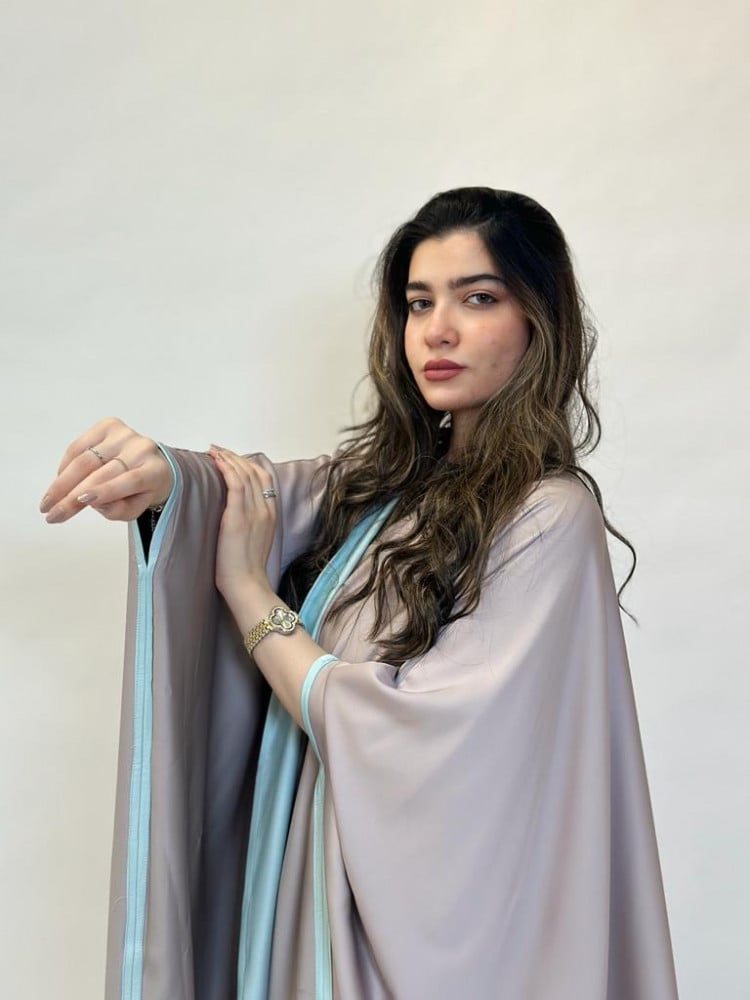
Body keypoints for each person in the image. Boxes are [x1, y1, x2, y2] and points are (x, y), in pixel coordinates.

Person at [42, 187, 678, 999]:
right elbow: (254, 491)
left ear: (537, 320)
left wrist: (246, 591)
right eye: (419, 303)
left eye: (477, 298)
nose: (437, 330)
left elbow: (413, 732)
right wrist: (160, 475)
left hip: (400, 939)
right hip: (312, 893)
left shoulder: (547, 515)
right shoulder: (382, 490)